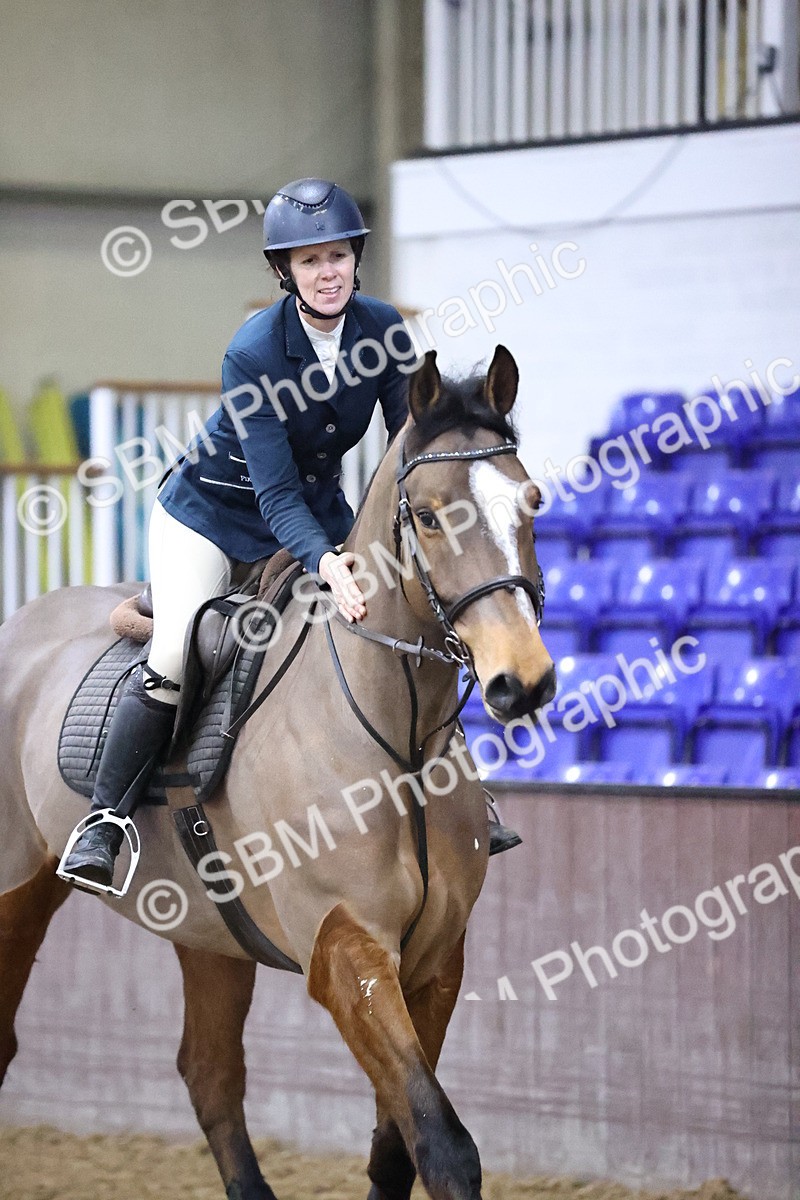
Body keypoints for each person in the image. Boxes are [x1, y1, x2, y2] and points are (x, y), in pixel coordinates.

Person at [61, 177, 518, 891]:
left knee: (413, 620)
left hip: (318, 505)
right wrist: (328, 565)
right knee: (177, 653)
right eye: (309, 262)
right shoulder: (254, 353)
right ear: (286, 272)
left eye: (336, 257)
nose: (326, 272)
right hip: (212, 516)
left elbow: (412, 441)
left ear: (355, 260)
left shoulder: (383, 331)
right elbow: (272, 492)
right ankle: (105, 821)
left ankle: (463, 790)